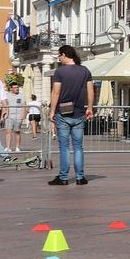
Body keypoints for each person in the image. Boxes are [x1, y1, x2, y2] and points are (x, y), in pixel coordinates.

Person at [48, 44, 93, 185]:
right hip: (79, 112)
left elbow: (56, 92)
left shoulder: (60, 72)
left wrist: (52, 111)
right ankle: (80, 177)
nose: (59, 59)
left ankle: (63, 177)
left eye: (59, 56)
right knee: (78, 146)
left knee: (64, 147)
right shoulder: (85, 71)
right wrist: (90, 107)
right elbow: (91, 91)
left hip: (63, 112)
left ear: (64, 55)